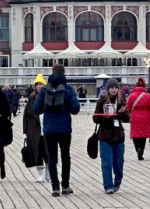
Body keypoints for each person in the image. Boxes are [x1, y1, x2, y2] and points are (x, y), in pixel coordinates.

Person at [33, 64, 81, 197]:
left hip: (49, 130)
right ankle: (65, 185)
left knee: (52, 158)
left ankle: (55, 187)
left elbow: (36, 108)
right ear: (64, 73)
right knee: (66, 156)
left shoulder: (44, 90)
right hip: (65, 129)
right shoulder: (67, 89)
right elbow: (76, 109)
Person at [92, 79, 130, 194]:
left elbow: (127, 119)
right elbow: (95, 118)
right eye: (111, 88)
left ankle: (117, 180)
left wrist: (123, 112)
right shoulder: (102, 101)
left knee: (118, 162)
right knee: (106, 162)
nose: (114, 90)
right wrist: (105, 117)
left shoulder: (121, 101)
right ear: (108, 89)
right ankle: (108, 185)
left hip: (118, 135)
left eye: (115, 88)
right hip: (105, 135)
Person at [23, 74, 48, 183]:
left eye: (41, 84)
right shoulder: (31, 98)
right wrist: (25, 131)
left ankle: (48, 174)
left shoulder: (49, 97)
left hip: (47, 129)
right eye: (37, 84)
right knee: (37, 153)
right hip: (34, 130)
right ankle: (41, 174)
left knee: (47, 153)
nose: (39, 86)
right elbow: (26, 116)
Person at [127, 78, 150, 160]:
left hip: (135, 116)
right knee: (143, 136)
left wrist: (131, 112)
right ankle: (141, 150)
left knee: (135, 135)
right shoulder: (147, 95)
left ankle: (137, 149)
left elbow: (128, 107)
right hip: (145, 117)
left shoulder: (131, 95)